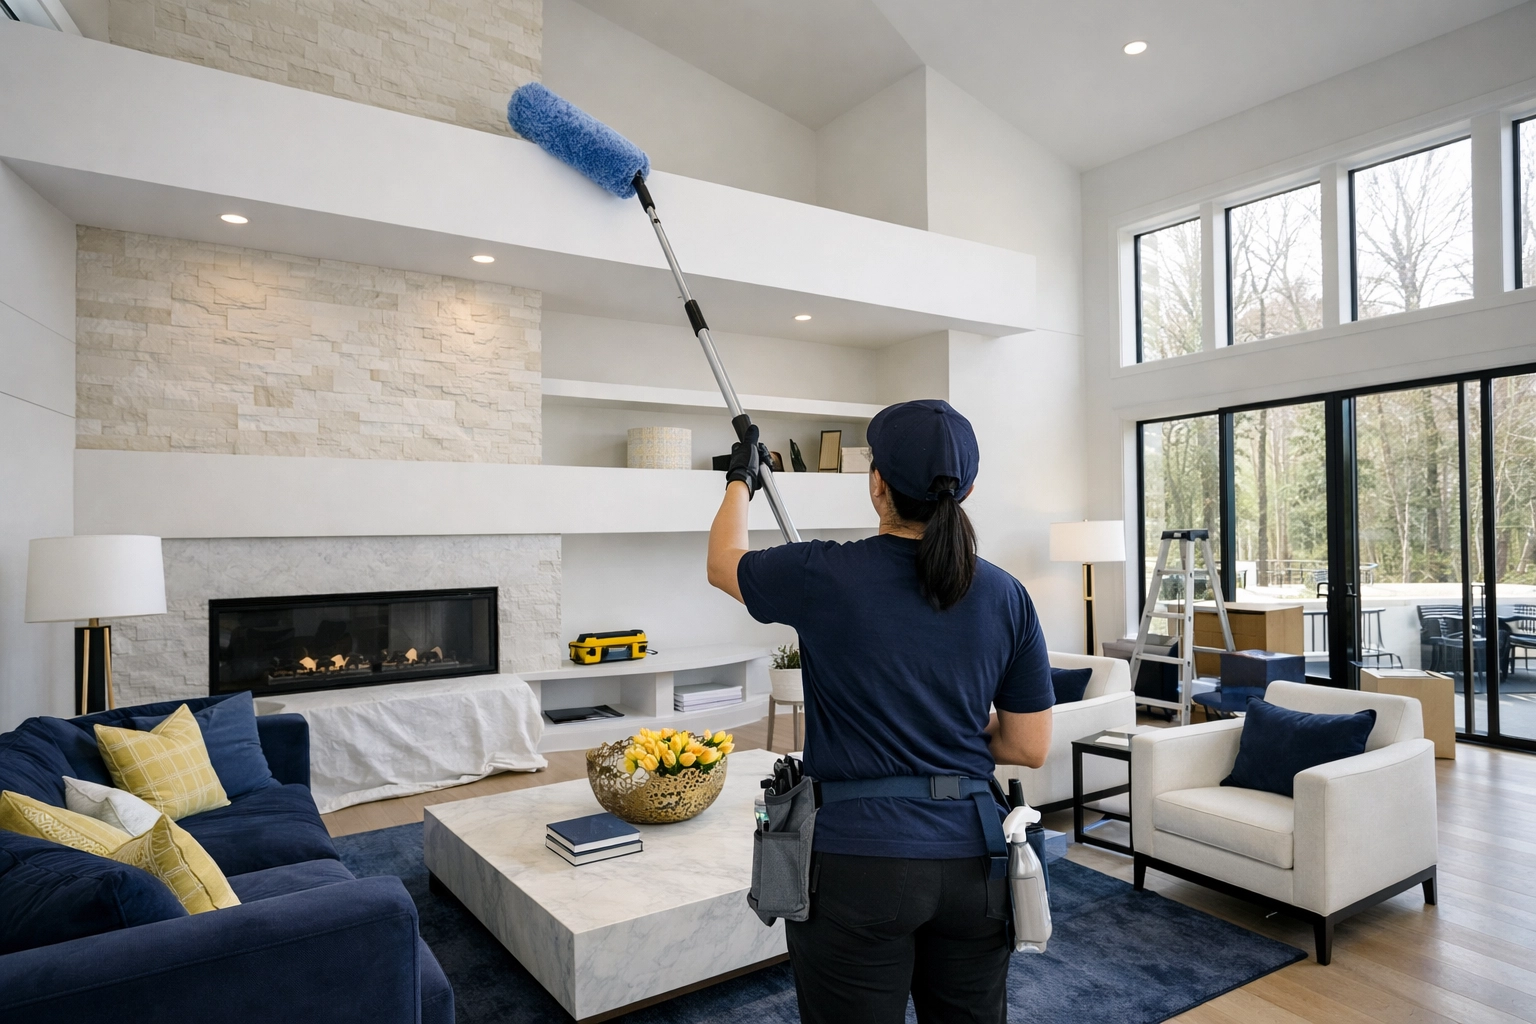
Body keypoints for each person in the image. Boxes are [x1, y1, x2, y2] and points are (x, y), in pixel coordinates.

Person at [706, 399, 1054, 1024]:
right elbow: (1029, 746)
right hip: (976, 863)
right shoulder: (1007, 594)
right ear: (968, 488)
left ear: (877, 486)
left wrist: (741, 479)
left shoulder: (823, 572)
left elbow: (722, 564)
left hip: (857, 865)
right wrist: (957, 728)